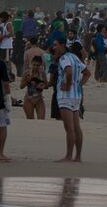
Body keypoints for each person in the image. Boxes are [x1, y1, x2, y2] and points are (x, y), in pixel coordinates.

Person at [52, 33, 87, 162]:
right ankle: (77, 156)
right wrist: (78, 85)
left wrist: (67, 85)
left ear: (62, 45)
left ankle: (68, 155)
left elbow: (69, 71)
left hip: (66, 96)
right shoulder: (75, 57)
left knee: (69, 128)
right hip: (76, 96)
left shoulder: (64, 58)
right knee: (76, 127)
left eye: (55, 45)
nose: (54, 47)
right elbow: (87, 72)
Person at [21, 54, 49, 119]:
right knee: (30, 120)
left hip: (39, 99)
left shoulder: (42, 73)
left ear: (41, 65)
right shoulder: (27, 73)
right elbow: (21, 86)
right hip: (29, 99)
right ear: (31, 64)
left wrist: (42, 86)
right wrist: (27, 81)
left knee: (41, 119)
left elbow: (47, 86)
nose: (35, 67)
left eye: (38, 65)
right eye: (34, 65)